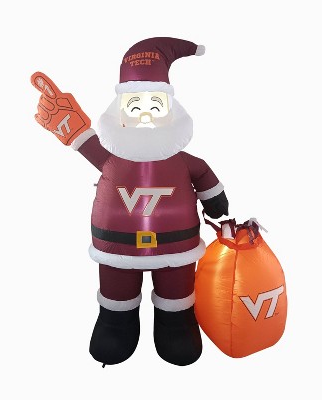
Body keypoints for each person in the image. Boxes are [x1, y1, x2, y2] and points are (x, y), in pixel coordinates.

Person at [31, 37, 229, 366]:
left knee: (177, 295)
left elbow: (206, 178)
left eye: (156, 106)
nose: (146, 115)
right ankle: (116, 322)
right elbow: (85, 141)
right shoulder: (111, 156)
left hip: (175, 247)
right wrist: (72, 129)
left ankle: (176, 323)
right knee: (116, 293)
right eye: (135, 107)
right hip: (117, 248)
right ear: (120, 111)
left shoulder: (183, 161)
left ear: (171, 110)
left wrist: (217, 205)